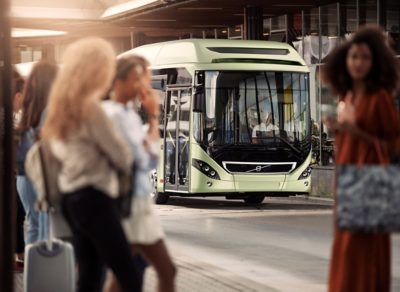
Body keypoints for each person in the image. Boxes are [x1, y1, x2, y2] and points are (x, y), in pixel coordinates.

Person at [42, 38, 141, 292]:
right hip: (95, 199)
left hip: (71, 199)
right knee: (128, 272)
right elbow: (122, 156)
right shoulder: (90, 109)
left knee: (89, 274)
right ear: (96, 70)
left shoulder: (60, 109)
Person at [322, 25, 400, 292]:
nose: (358, 62)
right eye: (354, 56)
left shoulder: (379, 99)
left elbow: (394, 145)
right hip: (349, 181)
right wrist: (340, 129)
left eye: (365, 57)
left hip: (371, 183)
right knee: (345, 248)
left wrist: (357, 131)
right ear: (345, 59)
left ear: (375, 61)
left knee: (363, 250)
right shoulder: (348, 96)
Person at [102, 55, 176, 292]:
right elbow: (143, 161)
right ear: (118, 81)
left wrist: (152, 118)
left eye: (144, 80)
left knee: (126, 275)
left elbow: (152, 160)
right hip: (130, 204)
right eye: (136, 79)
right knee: (163, 270)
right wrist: (153, 116)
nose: (142, 86)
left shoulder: (129, 115)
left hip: (138, 203)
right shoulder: (113, 115)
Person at [15, 61, 57, 245]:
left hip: (24, 175)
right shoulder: (50, 110)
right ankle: (43, 271)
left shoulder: (28, 108)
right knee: (44, 227)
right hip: (41, 175)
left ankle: (34, 270)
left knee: (35, 225)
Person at [12, 72, 25, 273]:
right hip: (10, 174)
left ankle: (20, 257)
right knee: (13, 215)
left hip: (15, 174)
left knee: (18, 215)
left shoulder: (14, 116)